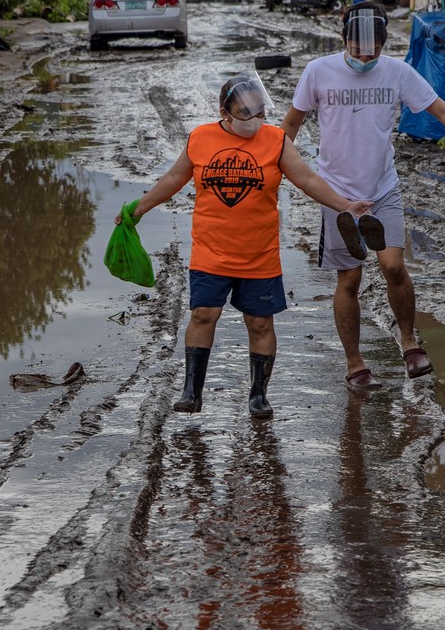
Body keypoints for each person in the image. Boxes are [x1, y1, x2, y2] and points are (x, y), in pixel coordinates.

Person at [118, 72, 372, 418]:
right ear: (225, 113)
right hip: (211, 250)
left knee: (260, 323)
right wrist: (139, 208)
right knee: (203, 314)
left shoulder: (276, 140)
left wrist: (345, 205)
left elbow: (307, 179)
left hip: (259, 253)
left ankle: (258, 395)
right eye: (244, 114)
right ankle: (191, 392)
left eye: (259, 113)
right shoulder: (200, 138)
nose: (254, 121)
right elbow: (175, 178)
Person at [281, 0, 445, 390]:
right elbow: (290, 126)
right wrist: (270, 168)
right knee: (348, 279)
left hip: (383, 188)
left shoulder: (397, 73)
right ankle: (355, 364)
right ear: (344, 39)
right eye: (358, 49)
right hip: (337, 194)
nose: (366, 57)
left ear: (384, 44)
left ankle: (409, 342)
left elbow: (443, 111)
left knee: (394, 267)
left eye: (375, 50)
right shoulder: (318, 73)